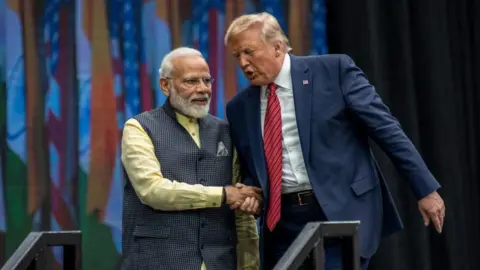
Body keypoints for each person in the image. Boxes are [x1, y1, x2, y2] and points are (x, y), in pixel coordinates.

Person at [224, 12, 446, 270]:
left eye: (249, 51)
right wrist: (253, 193)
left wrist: (425, 189)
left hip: (340, 212)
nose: (243, 62)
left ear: (278, 47)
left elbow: (387, 130)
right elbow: (256, 168)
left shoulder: (333, 71)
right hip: (282, 226)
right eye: (236, 56)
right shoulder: (239, 107)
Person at [121, 47, 261, 270]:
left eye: (207, 80)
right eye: (191, 81)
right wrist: (223, 194)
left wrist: (250, 264)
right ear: (165, 85)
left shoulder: (225, 130)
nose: (203, 89)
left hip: (221, 261)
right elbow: (152, 191)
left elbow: (241, 207)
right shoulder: (139, 127)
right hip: (159, 261)